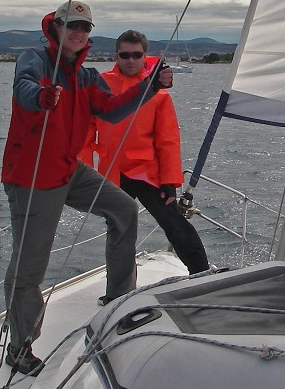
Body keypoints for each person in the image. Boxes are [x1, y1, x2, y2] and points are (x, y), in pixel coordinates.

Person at [0, 1, 173, 375]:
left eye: (85, 27)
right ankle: (19, 347)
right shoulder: (35, 60)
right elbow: (24, 87)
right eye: (72, 25)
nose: (79, 33)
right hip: (34, 176)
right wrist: (42, 97)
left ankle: (119, 299)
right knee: (30, 267)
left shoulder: (85, 76)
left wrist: (150, 87)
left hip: (68, 169)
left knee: (124, 208)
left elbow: (111, 109)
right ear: (56, 27)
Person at [81, 30, 210, 275]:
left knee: (174, 224)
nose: (130, 60)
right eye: (125, 55)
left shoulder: (158, 93)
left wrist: (170, 181)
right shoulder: (100, 86)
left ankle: (201, 273)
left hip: (148, 173)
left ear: (144, 56)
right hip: (113, 173)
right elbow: (85, 133)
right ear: (116, 56)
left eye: (136, 55)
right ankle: (119, 286)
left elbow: (168, 140)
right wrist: (84, 174)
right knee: (119, 231)